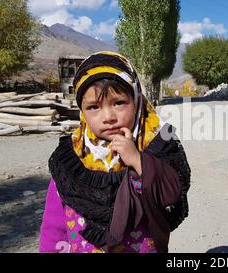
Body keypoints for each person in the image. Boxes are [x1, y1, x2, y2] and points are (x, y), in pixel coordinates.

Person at [39, 51, 191, 253]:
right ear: (82, 112)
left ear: (137, 101)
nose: (108, 116)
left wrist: (139, 161)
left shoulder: (157, 145)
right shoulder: (69, 159)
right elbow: (54, 224)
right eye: (93, 107)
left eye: (118, 103)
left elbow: (172, 195)